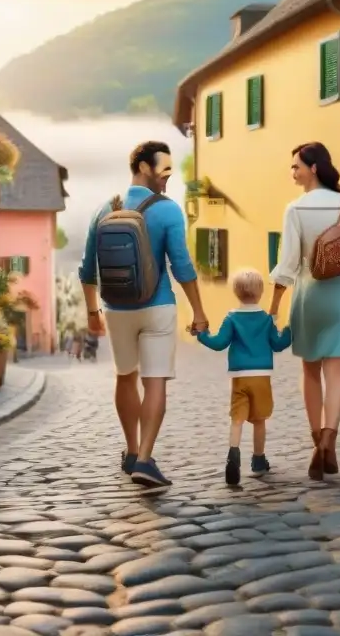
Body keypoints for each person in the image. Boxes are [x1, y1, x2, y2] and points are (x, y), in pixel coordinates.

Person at [80, 141, 208, 487]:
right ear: (142, 167)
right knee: (155, 382)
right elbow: (181, 265)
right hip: (158, 305)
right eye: (162, 169)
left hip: (117, 308)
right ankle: (146, 460)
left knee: (125, 377)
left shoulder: (104, 208)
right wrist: (198, 310)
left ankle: (132, 451)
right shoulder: (168, 211)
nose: (167, 177)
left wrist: (93, 311)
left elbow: (86, 268)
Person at [268, 142, 340, 482]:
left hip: (310, 294)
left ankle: (317, 442)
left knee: (310, 372)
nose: (293, 172)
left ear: (314, 167)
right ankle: (329, 442)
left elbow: (286, 266)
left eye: (296, 166)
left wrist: (273, 308)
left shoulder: (295, 210)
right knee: (336, 376)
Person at [196, 269, 292, 486]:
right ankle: (258, 460)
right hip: (261, 376)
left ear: (236, 293)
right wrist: (288, 331)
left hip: (239, 377)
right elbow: (278, 344)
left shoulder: (231, 318)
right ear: (259, 293)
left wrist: (202, 335)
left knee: (237, 418)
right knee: (259, 420)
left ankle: (233, 453)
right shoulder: (266, 320)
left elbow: (219, 342)